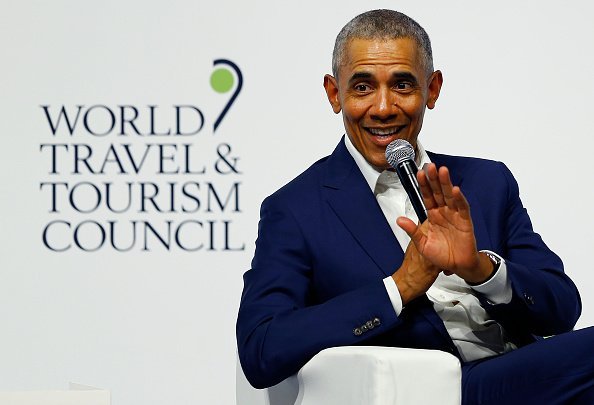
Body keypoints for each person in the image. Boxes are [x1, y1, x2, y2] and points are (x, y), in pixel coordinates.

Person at [237, 9, 594, 404]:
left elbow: (562, 310)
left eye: (403, 85)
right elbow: (261, 347)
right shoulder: (297, 209)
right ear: (334, 94)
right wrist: (400, 286)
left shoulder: (486, 182)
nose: (384, 107)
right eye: (362, 87)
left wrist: (481, 269)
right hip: (448, 389)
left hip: (537, 373)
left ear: (433, 89)